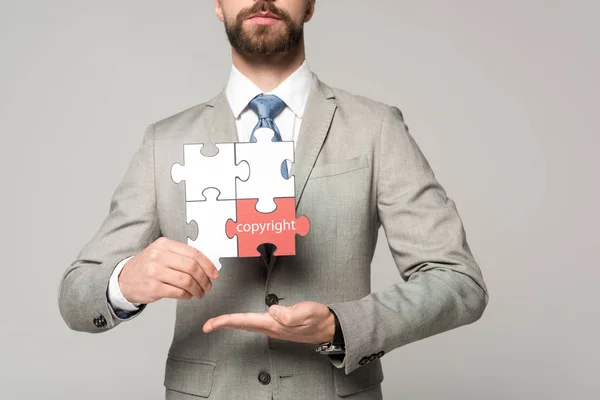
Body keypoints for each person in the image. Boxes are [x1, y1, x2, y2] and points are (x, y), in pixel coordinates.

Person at [58, 1, 489, 399]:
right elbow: (76, 296)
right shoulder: (164, 142)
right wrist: (124, 282)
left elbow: (458, 281)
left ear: (311, 3)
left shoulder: (377, 129)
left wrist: (341, 325)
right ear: (218, 3)